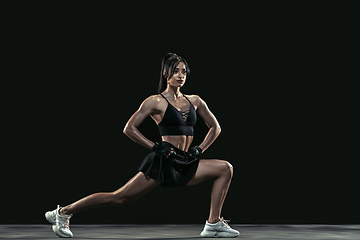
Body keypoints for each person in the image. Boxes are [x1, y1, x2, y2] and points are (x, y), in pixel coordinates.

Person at [45, 53, 240, 238]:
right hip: (163, 162)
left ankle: (213, 224)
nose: (180, 76)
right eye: (175, 71)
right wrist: (156, 146)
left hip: (185, 161)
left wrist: (200, 149)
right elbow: (129, 128)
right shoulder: (155, 101)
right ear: (165, 73)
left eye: (183, 71)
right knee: (120, 198)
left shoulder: (195, 100)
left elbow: (215, 127)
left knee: (225, 168)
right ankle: (62, 213)